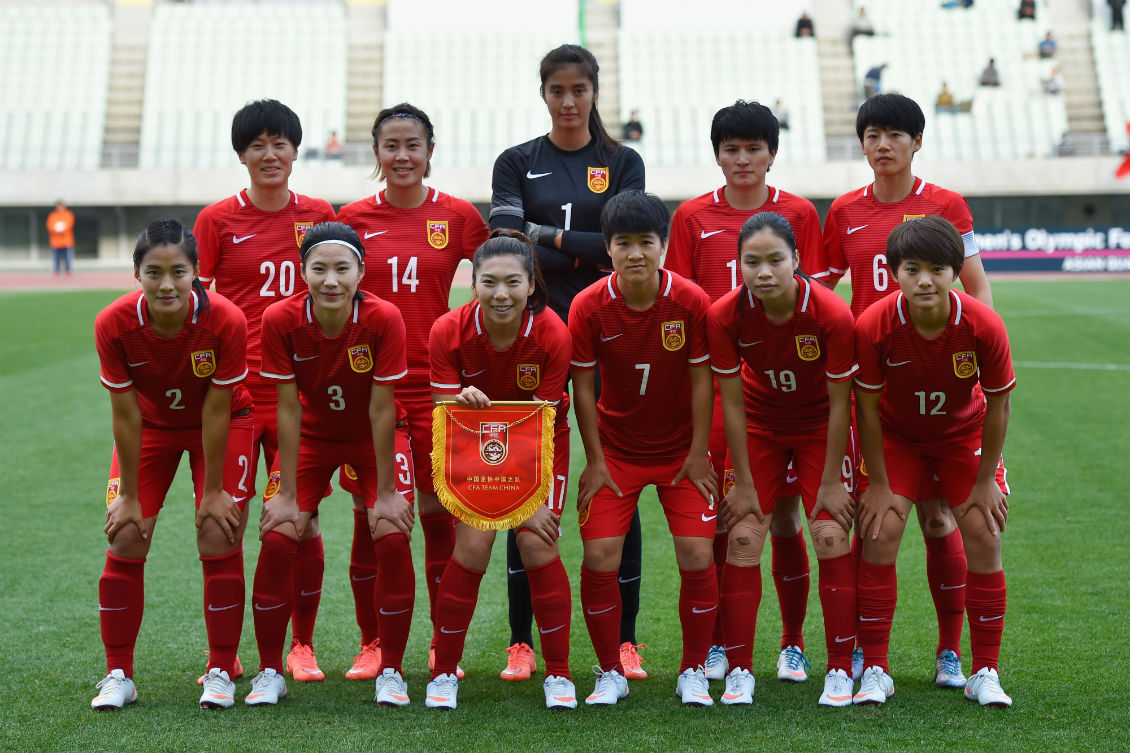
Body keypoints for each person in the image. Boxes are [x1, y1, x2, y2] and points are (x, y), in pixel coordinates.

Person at [814, 93, 995, 688]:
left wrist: (969, 357)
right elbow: (822, 284)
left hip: (942, 384)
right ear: (862, 144)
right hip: (877, 387)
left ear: (917, 142)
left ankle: (951, 654)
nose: (883, 145)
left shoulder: (946, 205)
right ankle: (872, 657)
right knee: (878, 523)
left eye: (895, 134)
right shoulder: (843, 210)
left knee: (943, 521)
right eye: (872, 135)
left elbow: (974, 285)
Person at [489, 43, 648, 682]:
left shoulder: (622, 160)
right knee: (519, 488)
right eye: (557, 90)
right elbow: (504, 241)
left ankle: (627, 640)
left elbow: (622, 249)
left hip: (612, 335)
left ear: (594, 92)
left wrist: (544, 238)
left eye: (579, 89)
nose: (568, 100)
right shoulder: (517, 161)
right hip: (533, 341)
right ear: (544, 94)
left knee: (620, 480)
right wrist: (576, 248)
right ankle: (521, 643)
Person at [665, 100, 823, 685]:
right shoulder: (690, 218)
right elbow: (680, 299)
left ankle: (793, 642)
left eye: (754, 148)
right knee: (721, 521)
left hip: (782, 397)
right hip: (714, 389)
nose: (742, 159)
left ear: (772, 154)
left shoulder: (801, 214)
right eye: (731, 149)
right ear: (717, 155)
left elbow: (814, 302)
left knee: (781, 520)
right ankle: (719, 649)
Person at [336, 102, 489, 680]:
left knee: (435, 512)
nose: (402, 156)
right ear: (376, 153)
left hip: (437, 388)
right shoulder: (352, 218)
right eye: (390, 145)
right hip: (370, 387)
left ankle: (436, 641)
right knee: (369, 514)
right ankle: (373, 640)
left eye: (413, 145)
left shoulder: (456, 215)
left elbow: (499, 277)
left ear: (430, 150)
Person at [194, 99, 336, 685]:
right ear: (242, 154)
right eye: (258, 145)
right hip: (231, 399)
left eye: (280, 143)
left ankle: (300, 645)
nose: (270, 154)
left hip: (297, 400)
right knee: (222, 524)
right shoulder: (215, 221)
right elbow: (199, 310)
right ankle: (221, 658)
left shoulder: (320, 215)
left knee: (298, 523)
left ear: (296, 150)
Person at [852, 216, 1015, 709]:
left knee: (983, 533)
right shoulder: (874, 325)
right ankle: (876, 668)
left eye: (938, 269)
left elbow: (999, 403)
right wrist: (878, 483)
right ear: (893, 272)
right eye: (912, 269)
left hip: (961, 435)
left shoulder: (983, 324)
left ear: (954, 273)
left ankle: (980, 667)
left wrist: (986, 481)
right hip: (898, 438)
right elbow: (865, 408)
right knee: (880, 531)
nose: (925, 280)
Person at [91, 218, 254, 711]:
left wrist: (213, 494)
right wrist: (130, 498)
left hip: (221, 421)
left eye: (178, 272)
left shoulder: (226, 319)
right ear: (136, 273)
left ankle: (221, 668)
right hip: (151, 427)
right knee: (126, 533)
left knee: (217, 530)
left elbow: (217, 406)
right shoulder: (113, 323)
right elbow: (124, 413)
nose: (167, 284)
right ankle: (119, 673)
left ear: (196, 272)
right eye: (154, 272)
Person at [250, 221, 413, 707]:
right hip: (314, 437)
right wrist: (283, 494)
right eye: (318, 268)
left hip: (374, 436)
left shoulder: (384, 318)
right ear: (302, 272)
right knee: (279, 534)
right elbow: (288, 407)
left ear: (361, 271)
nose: (330, 280)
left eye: (342, 268)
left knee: (390, 532)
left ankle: (393, 671)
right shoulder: (279, 319)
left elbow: (383, 408)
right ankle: (268, 670)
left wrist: (386, 491)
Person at [570, 190, 719, 706]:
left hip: (681, 453)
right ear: (607, 249)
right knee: (600, 556)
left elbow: (704, 382)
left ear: (664, 245)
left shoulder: (691, 301)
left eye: (646, 242)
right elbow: (582, 388)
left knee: (698, 554)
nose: (635, 253)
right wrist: (595, 460)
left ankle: (694, 670)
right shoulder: (588, 305)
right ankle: (609, 671)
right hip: (617, 453)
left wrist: (699, 455)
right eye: (623, 243)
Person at [706, 212, 858, 708]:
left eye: (776, 260)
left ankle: (838, 668)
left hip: (819, 424)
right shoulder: (726, 315)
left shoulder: (831, 314)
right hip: (760, 423)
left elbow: (841, 403)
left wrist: (834, 481)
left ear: (797, 260)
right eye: (752, 262)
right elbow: (730, 402)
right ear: (739, 265)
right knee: (745, 536)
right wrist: (744, 482)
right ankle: (741, 671)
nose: (764, 271)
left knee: (831, 533)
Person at [424, 231, 576, 711]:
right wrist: (460, 404)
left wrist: (525, 509)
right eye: (489, 282)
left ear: (531, 284)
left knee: (536, 541)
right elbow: (447, 420)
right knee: (473, 541)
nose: (501, 293)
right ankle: (444, 674)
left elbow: (542, 426)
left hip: (541, 446)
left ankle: (559, 675)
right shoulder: (447, 330)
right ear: (474, 284)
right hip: (472, 447)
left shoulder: (552, 332)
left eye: (513, 282)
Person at [46, 199, 75, 275]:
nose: (60, 208)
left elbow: (69, 224)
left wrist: (63, 230)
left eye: (61, 207)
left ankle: (68, 270)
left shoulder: (68, 214)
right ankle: (56, 270)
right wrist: (56, 230)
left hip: (66, 241)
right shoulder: (52, 215)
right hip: (56, 241)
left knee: (68, 258)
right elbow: (49, 225)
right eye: (58, 207)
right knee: (56, 258)